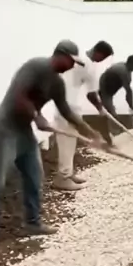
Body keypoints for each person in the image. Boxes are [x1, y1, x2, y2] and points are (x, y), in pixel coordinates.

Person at [0, 40, 105, 253]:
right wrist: (37, 116)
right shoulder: (35, 67)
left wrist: (91, 132)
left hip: (24, 131)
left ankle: (32, 223)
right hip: (5, 129)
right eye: (71, 61)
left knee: (35, 175)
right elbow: (19, 95)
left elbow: (66, 111)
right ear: (60, 55)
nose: (73, 66)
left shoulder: (57, 83)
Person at [53, 40, 114, 191]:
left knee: (70, 142)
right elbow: (91, 94)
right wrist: (100, 109)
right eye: (103, 58)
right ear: (99, 53)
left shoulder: (78, 60)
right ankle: (63, 179)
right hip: (68, 109)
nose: (101, 61)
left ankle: (68, 174)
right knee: (67, 143)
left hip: (65, 106)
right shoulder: (88, 66)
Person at [98, 55, 133, 143]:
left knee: (110, 111)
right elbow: (128, 92)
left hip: (108, 90)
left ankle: (111, 133)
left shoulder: (126, 71)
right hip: (104, 88)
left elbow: (128, 93)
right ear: (131, 64)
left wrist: (131, 106)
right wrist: (131, 107)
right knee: (111, 113)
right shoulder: (123, 71)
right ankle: (112, 137)